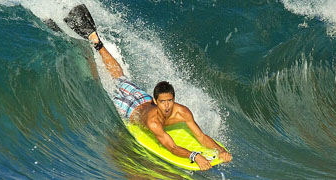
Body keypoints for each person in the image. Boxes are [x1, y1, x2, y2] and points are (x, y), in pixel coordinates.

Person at [64, 4, 232, 171]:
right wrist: (194, 155)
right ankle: (91, 46)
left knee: (120, 77)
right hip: (129, 108)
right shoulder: (153, 123)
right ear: (156, 101)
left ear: (174, 100)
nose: (167, 106)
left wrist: (221, 151)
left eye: (170, 101)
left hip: (141, 97)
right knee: (100, 82)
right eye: (163, 102)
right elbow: (172, 148)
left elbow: (201, 137)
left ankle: (96, 43)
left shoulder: (183, 112)